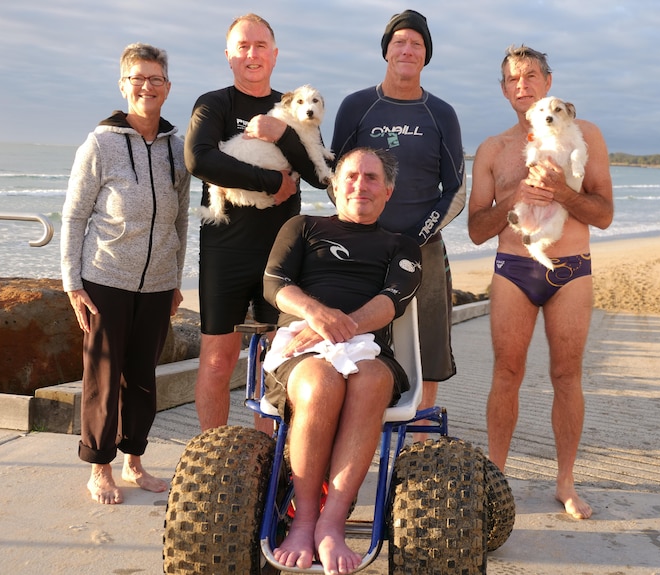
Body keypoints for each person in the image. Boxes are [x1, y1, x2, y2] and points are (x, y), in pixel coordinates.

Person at [468, 45, 614, 519]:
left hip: (571, 268)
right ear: (505, 90)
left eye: (531, 76)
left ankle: (566, 482)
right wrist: (516, 191)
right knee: (506, 374)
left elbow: (605, 214)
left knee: (566, 376)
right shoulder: (494, 149)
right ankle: (496, 478)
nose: (523, 85)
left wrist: (563, 192)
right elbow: (476, 230)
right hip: (514, 268)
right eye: (513, 79)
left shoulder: (584, 134)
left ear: (548, 82)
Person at [262, 147, 421, 573]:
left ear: (387, 191)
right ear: (335, 185)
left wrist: (339, 325)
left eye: (372, 178)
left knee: (369, 382)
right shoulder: (303, 226)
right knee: (321, 382)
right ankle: (305, 518)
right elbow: (274, 283)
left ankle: (332, 523)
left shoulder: (401, 245)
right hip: (301, 344)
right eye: (351, 175)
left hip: (368, 349)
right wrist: (316, 314)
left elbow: (392, 302)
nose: (360, 184)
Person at [185, 13, 328, 434]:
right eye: (243, 46)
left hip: (281, 252)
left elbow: (316, 170)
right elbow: (199, 159)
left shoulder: (296, 105)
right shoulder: (213, 103)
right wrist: (270, 181)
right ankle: (215, 456)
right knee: (217, 360)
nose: (252, 54)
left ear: (275, 54)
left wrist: (282, 136)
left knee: (278, 360)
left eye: (261, 46)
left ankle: (268, 463)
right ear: (229, 55)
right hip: (224, 249)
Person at [61, 43, 191, 504]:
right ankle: (100, 467)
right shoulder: (100, 142)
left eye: (156, 79)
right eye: (138, 78)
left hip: (157, 284)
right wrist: (72, 283)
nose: (147, 86)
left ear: (168, 88)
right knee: (101, 375)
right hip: (104, 278)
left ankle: (134, 461)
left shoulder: (179, 148)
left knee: (141, 376)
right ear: (123, 84)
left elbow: (180, 219)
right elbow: (75, 216)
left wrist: (176, 279)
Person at [330, 10, 465, 432]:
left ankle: (419, 438)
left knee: (427, 347)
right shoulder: (357, 106)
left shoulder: (440, 113)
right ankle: (350, 430)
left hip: (423, 248)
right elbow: (336, 177)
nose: (407, 50)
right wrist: (363, 232)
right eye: (400, 42)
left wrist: (414, 237)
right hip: (363, 249)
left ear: (426, 55)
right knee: (351, 340)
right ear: (386, 50)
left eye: (417, 44)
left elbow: (457, 191)